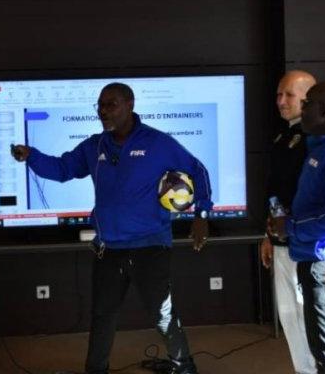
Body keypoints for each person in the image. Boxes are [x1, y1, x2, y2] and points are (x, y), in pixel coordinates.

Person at [11, 82, 212, 374]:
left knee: (162, 314)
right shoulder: (94, 146)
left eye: (111, 105)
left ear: (130, 105)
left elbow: (198, 170)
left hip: (150, 246)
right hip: (109, 249)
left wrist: (201, 214)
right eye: (100, 106)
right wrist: (31, 155)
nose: (103, 111)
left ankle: (184, 366)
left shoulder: (157, 142)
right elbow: (63, 169)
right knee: (103, 316)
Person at [269, 82, 325, 373]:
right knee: (321, 349)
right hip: (313, 256)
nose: (302, 108)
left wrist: (291, 226)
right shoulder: (321, 142)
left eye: (307, 103)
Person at [260, 70, 317, 374]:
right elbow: (275, 189)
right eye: (279, 95)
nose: (281, 101)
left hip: (307, 244)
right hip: (281, 241)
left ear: (308, 98)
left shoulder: (318, 139)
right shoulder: (283, 137)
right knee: (288, 315)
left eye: (289, 95)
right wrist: (268, 234)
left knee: (309, 317)